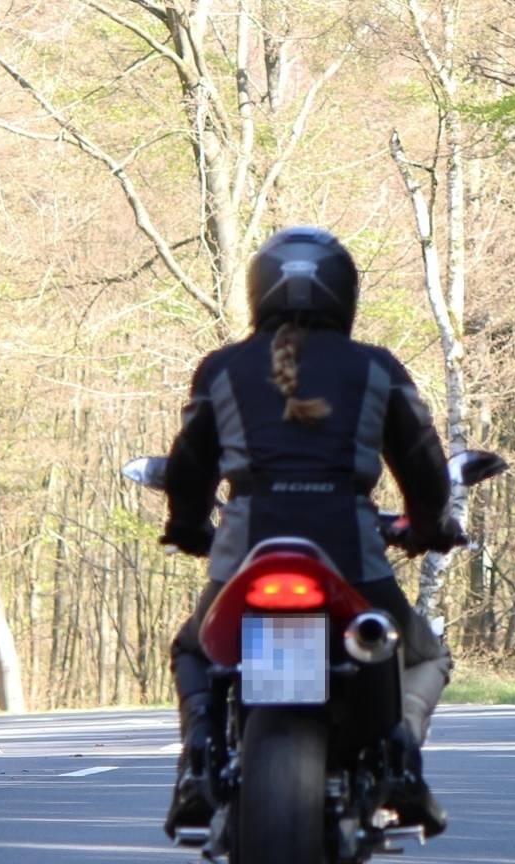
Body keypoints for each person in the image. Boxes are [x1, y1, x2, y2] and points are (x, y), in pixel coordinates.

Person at [157, 226, 464, 840]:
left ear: (258, 293)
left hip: (247, 554)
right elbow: (424, 465)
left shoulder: (221, 369)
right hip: (350, 557)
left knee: (194, 647)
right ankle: (400, 757)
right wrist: (431, 527)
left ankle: (197, 765)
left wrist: (187, 527)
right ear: (345, 295)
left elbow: (189, 467)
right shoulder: (376, 368)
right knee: (424, 655)